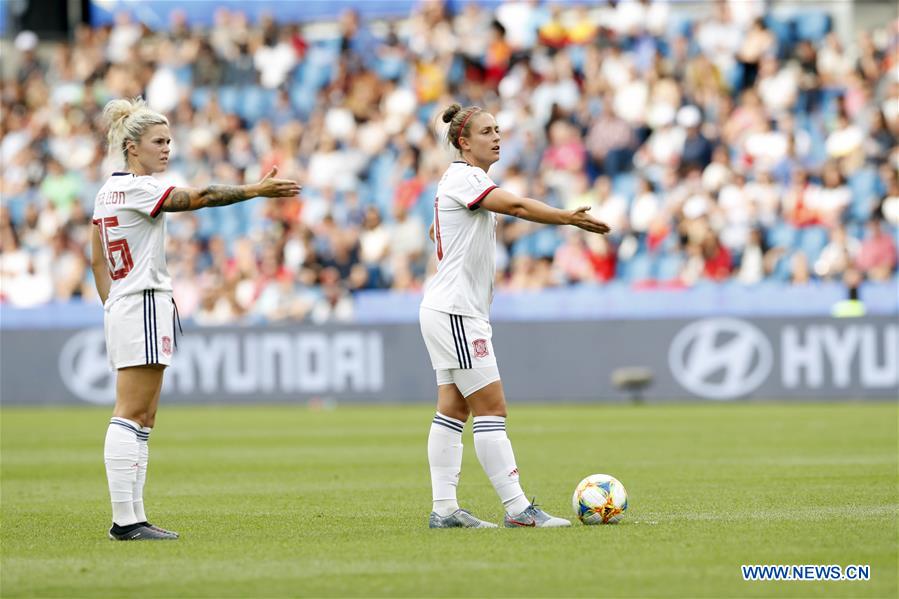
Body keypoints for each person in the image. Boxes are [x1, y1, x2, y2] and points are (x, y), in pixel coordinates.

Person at [91, 97, 301, 540]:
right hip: (143, 300)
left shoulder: (107, 191)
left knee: (143, 416)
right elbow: (200, 196)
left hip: (127, 302)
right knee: (132, 412)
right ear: (133, 147)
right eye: (158, 141)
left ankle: (134, 516)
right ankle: (124, 521)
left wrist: (112, 303)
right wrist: (254, 191)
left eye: (169, 140)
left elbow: (96, 261)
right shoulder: (139, 188)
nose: (167, 148)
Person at [420, 104, 610, 528]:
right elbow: (519, 208)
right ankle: (518, 509)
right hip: (456, 312)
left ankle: (445, 510)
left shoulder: (461, 180)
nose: (497, 137)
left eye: (498, 130)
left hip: (448, 309)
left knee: (453, 409)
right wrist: (566, 217)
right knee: (492, 408)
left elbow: (437, 231)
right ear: (464, 143)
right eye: (486, 131)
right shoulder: (466, 177)